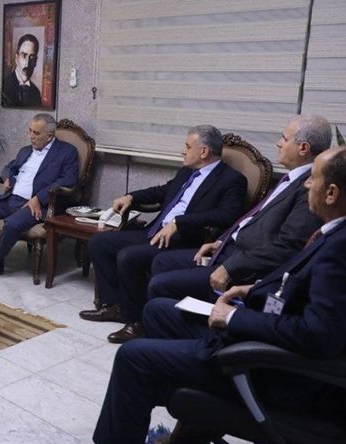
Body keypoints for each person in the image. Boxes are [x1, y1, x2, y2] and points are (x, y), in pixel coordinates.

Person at [64, 144, 346, 444]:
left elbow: (317, 336)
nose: (306, 185)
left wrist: (235, 317)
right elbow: (306, 291)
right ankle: (197, 423)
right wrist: (254, 289)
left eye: (313, 179)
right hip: (268, 330)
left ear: (332, 193)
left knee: (134, 357)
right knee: (160, 310)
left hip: (276, 370)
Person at [79, 125, 247, 343]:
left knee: (128, 256)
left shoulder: (232, 179)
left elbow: (226, 215)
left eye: (187, 146)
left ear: (204, 151)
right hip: (155, 231)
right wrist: (131, 196)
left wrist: (180, 223)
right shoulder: (187, 172)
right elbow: (163, 191)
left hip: (183, 240)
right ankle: (115, 306)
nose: (183, 151)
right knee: (99, 242)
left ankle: (136, 321)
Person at [147, 116, 329, 302]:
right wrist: (221, 241)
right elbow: (254, 220)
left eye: (284, 138)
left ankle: (177, 317)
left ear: (303, 148)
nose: (278, 143)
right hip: (227, 249)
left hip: (245, 266)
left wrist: (231, 268)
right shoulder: (290, 179)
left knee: (160, 285)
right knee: (162, 261)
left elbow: (288, 246)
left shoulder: (310, 188)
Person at [0, 113, 79, 279]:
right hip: (11, 199)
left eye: (36, 133)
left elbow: (68, 179)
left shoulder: (66, 152)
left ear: (49, 136)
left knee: (11, 224)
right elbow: (9, 167)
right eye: (30, 130)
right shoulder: (25, 151)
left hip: (37, 205)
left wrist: (39, 198)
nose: (31, 136)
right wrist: (7, 177)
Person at [1, 33, 42, 107]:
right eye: (24, 56)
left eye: (32, 57)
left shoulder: (36, 93)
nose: (27, 63)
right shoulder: (5, 86)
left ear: (35, 61)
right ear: (17, 58)